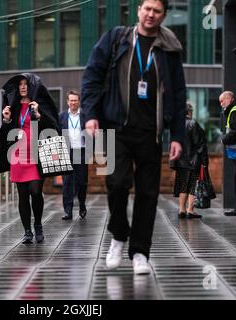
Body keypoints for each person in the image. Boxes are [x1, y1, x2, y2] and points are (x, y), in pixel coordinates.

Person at [81, 0, 186, 275]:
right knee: (115, 184)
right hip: (112, 126)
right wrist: (90, 114)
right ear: (139, 9)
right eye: (147, 8)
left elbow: (178, 93)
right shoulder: (116, 39)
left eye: (157, 11)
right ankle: (118, 234)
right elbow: (92, 76)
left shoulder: (169, 48)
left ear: (164, 15)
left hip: (150, 132)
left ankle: (140, 252)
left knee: (148, 193)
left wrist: (177, 136)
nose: (151, 14)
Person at [0, 73, 60, 244]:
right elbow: (6, 133)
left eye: (25, 84)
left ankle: (38, 225)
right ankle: (27, 231)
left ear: (31, 87)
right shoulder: (14, 106)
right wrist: (7, 120)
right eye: (20, 85)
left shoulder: (38, 106)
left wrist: (39, 115)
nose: (23, 87)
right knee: (23, 195)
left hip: (36, 155)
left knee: (36, 191)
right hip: (18, 156)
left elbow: (52, 127)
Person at [171, 102, 209, 219]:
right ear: (189, 112)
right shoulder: (193, 124)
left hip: (180, 162)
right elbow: (200, 145)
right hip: (193, 161)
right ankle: (190, 210)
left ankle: (181, 210)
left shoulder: (176, 125)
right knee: (193, 185)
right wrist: (204, 161)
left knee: (183, 186)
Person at [59, 90, 88, 220]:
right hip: (67, 151)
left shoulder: (85, 115)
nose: (73, 102)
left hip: (81, 151)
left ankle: (82, 204)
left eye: (75, 100)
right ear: (67, 102)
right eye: (71, 100)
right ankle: (68, 211)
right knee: (67, 182)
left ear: (79, 101)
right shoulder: (62, 116)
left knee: (82, 182)